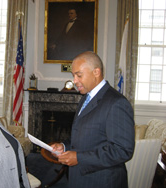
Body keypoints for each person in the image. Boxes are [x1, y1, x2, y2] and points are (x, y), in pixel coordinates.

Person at [51, 51, 135, 188]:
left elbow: (122, 150)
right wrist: (64, 146)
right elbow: (83, 136)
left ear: (96, 72)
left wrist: (78, 158)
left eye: (79, 75)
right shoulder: (85, 98)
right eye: (73, 76)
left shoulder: (117, 103)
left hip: (102, 181)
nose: (75, 81)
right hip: (80, 179)